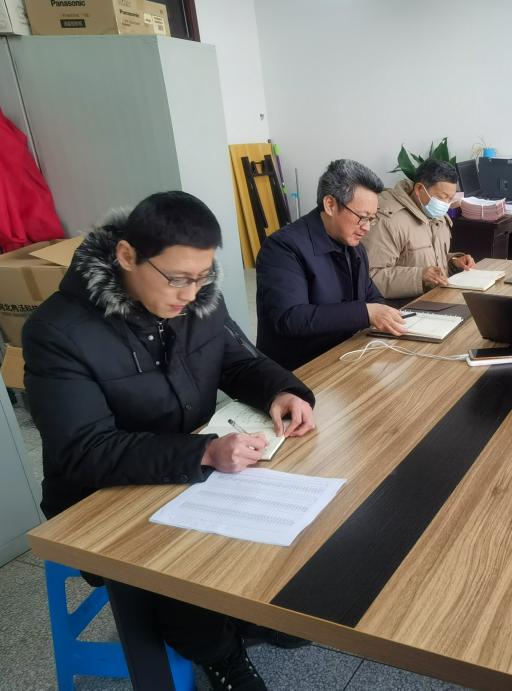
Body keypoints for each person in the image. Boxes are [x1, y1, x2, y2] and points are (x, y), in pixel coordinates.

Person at [23, 191, 317, 691]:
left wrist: (281, 391)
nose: (191, 293)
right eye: (178, 278)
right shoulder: (57, 332)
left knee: (278, 514)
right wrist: (203, 452)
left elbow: (238, 362)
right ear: (127, 256)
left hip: (186, 468)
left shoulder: (199, 298)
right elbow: (84, 450)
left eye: (202, 276)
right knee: (176, 566)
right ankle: (219, 652)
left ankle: (244, 614)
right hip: (100, 496)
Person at [256, 159, 407, 370]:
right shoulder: (283, 247)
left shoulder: (354, 246)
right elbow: (290, 318)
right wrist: (365, 313)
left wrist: (384, 314)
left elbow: (371, 296)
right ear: (330, 205)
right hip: (300, 369)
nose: (366, 227)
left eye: (371, 219)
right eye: (362, 217)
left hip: (345, 357)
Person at [363, 158, 476, 300]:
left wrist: (453, 262)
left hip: (437, 299)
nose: (446, 204)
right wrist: (419, 277)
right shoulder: (388, 221)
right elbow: (369, 277)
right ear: (419, 189)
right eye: (442, 197)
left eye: (450, 198)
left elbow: (423, 259)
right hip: (401, 308)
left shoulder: (435, 213)